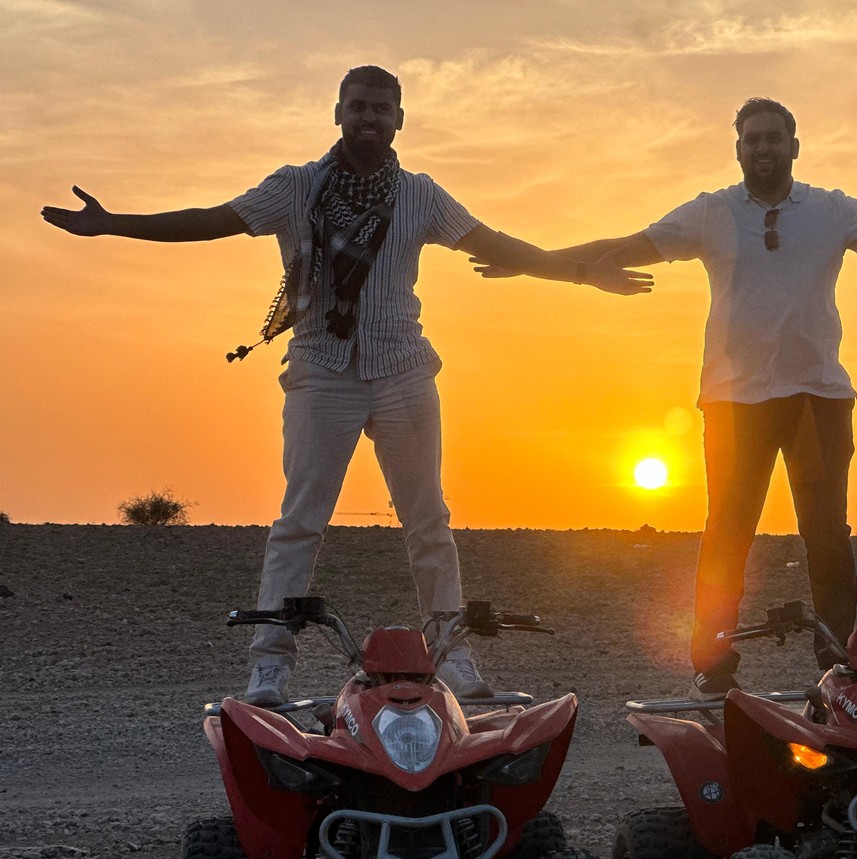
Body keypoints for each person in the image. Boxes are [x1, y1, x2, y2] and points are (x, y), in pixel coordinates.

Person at [42, 65, 651, 707]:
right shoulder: (295, 188)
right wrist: (112, 224)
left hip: (402, 371)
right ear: (337, 113)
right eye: (357, 106)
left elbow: (501, 246)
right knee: (299, 521)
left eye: (381, 108)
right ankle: (270, 665)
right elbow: (210, 220)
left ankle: (450, 654)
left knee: (428, 521)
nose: (369, 117)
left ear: (399, 120)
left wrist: (585, 273)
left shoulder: (421, 196)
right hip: (320, 371)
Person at [474, 96, 857, 699]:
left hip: (817, 399)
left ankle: (844, 664)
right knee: (728, 533)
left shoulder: (833, 211)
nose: (762, 148)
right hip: (735, 405)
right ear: (737, 149)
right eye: (751, 139)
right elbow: (625, 245)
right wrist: (531, 263)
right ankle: (711, 667)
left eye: (773, 138)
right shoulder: (709, 214)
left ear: (795, 145)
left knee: (826, 535)